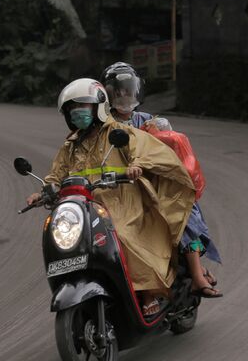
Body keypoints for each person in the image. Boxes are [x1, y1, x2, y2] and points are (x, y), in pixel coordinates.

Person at [27, 78, 197, 317]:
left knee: (123, 236)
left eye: (82, 107)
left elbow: (147, 150)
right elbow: (56, 174)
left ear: (97, 107)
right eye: (72, 109)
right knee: (65, 239)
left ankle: (148, 293)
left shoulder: (118, 132)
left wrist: (137, 165)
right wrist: (43, 192)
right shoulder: (71, 146)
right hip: (85, 208)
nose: (77, 113)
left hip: (122, 202)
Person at [101, 62, 222, 298]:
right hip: (118, 189)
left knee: (184, 214)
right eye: (117, 90)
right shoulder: (102, 126)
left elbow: (170, 152)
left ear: (136, 90)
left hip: (155, 185)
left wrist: (156, 135)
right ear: (107, 94)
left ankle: (196, 276)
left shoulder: (151, 121)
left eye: (128, 89)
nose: (124, 95)